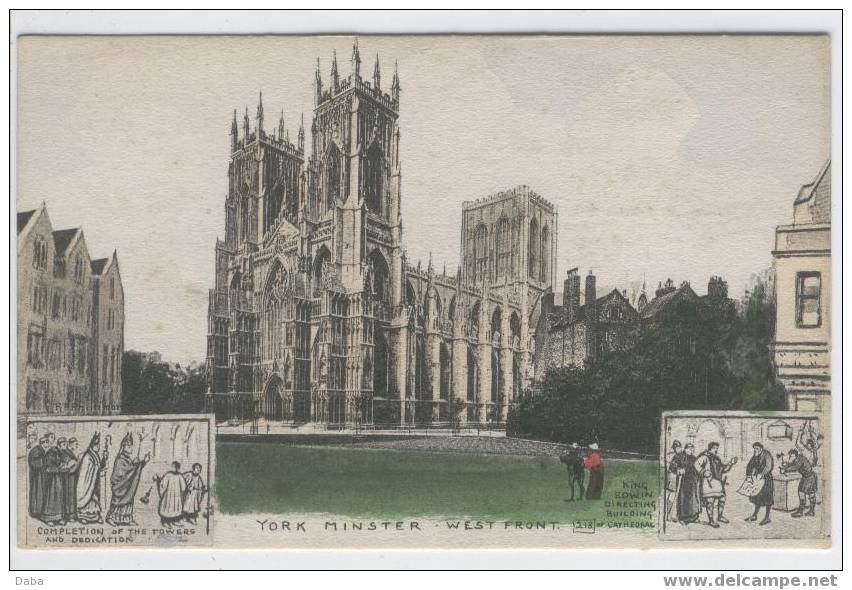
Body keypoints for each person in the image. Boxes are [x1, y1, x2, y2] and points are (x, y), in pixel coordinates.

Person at [106, 432, 150, 526]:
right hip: (120, 486)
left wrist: (142, 463)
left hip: (127, 486)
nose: (131, 448)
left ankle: (126, 519)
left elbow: (132, 469)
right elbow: (122, 473)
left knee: (128, 500)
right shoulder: (120, 459)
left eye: (131, 446)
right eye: (129, 446)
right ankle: (111, 518)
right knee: (118, 501)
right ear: (124, 447)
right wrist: (136, 465)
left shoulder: (128, 459)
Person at [694, 442, 737, 528]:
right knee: (710, 501)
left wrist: (730, 463)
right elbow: (696, 464)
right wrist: (703, 472)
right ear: (710, 448)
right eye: (714, 448)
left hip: (717, 482)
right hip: (708, 482)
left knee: (722, 499)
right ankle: (711, 521)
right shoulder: (704, 457)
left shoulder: (717, 459)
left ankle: (720, 516)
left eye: (717, 448)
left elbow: (723, 469)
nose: (716, 450)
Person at [76, 433, 107, 524]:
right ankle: (83, 516)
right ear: (93, 445)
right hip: (87, 483)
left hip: (94, 482)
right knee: (87, 498)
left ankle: (95, 516)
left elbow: (99, 466)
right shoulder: (87, 456)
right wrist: (97, 469)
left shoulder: (95, 455)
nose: (98, 447)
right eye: (97, 445)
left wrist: (104, 458)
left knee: (94, 498)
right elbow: (85, 471)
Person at [781, 448, 818, 517]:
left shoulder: (800, 459)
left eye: (791, 456)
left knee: (809, 493)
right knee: (803, 492)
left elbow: (795, 467)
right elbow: (791, 464)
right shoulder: (797, 459)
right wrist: (785, 466)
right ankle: (804, 511)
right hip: (806, 477)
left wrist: (785, 469)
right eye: (790, 456)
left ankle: (807, 511)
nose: (790, 457)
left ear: (795, 455)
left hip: (810, 477)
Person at [743, 442, 774, 525]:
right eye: (754, 448)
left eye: (757, 448)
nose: (755, 450)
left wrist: (762, 474)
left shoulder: (766, 454)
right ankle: (754, 515)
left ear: (761, 448)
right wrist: (748, 475)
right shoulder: (755, 455)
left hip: (766, 479)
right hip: (757, 479)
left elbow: (769, 466)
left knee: (767, 498)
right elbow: (749, 465)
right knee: (757, 496)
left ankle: (767, 517)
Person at [41, 434, 65, 525]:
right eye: (64, 445)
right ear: (59, 445)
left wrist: (63, 466)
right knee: (51, 498)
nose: (65, 447)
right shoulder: (51, 453)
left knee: (59, 497)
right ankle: (48, 518)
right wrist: (59, 469)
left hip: (58, 478)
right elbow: (47, 468)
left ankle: (59, 517)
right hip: (51, 480)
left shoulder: (59, 452)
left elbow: (61, 462)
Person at [155, 461, 187, 528]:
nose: (173, 468)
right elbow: (163, 484)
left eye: (174, 467)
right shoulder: (168, 475)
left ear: (177, 468)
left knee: (175, 508)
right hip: (168, 496)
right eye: (172, 466)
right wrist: (158, 480)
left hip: (177, 496)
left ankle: (174, 521)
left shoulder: (180, 476)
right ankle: (165, 522)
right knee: (167, 507)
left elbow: (183, 487)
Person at [677, 443, 702, 524]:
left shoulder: (694, 458)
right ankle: (683, 518)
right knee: (684, 499)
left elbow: (698, 468)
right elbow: (672, 466)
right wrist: (679, 470)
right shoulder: (680, 457)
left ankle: (694, 517)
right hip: (684, 481)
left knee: (694, 499)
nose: (692, 451)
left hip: (693, 481)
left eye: (693, 449)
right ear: (686, 449)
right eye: (690, 449)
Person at [27, 434, 50, 520]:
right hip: (37, 477)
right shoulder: (37, 450)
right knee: (37, 493)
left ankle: (38, 510)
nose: (48, 444)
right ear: (43, 443)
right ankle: (36, 511)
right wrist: (45, 463)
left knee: (39, 493)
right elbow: (34, 462)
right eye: (47, 442)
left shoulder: (41, 450)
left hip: (40, 475)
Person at [58, 437, 79, 523]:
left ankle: (71, 515)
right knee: (65, 496)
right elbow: (63, 463)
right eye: (63, 444)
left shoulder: (68, 451)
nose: (65, 445)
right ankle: (65, 516)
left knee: (71, 496)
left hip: (71, 477)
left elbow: (74, 461)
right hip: (65, 477)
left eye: (65, 444)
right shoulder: (60, 452)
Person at [665, 440, 687, 522]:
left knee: (678, 496)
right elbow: (672, 467)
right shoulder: (675, 456)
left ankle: (674, 515)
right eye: (675, 448)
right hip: (673, 477)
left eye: (678, 447)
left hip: (679, 478)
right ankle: (669, 515)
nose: (677, 449)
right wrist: (679, 470)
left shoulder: (683, 455)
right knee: (672, 495)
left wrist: (683, 470)